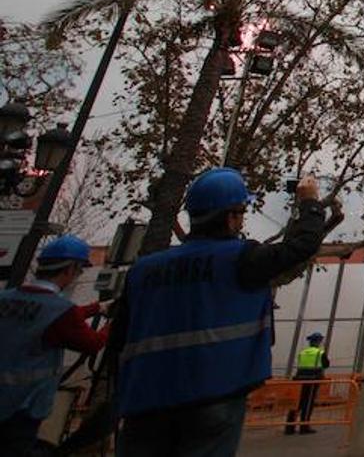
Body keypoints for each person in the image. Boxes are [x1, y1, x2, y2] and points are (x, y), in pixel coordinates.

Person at [114, 168, 329, 456]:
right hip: (215, 393)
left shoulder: (143, 270)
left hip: (144, 401)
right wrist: (310, 203)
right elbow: (301, 245)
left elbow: (119, 338)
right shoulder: (239, 258)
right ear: (231, 217)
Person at [0, 234, 108, 454]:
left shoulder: (7, 298)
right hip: (22, 407)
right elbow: (92, 343)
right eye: (78, 271)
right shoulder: (60, 311)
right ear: (70, 270)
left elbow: (45, 317)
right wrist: (114, 322)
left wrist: (96, 308)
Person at [284, 331, 329, 435]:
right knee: (308, 404)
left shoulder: (302, 352)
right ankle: (304, 427)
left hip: (299, 381)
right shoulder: (320, 353)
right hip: (312, 380)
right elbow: (326, 364)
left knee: (296, 403)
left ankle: (289, 427)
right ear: (318, 342)